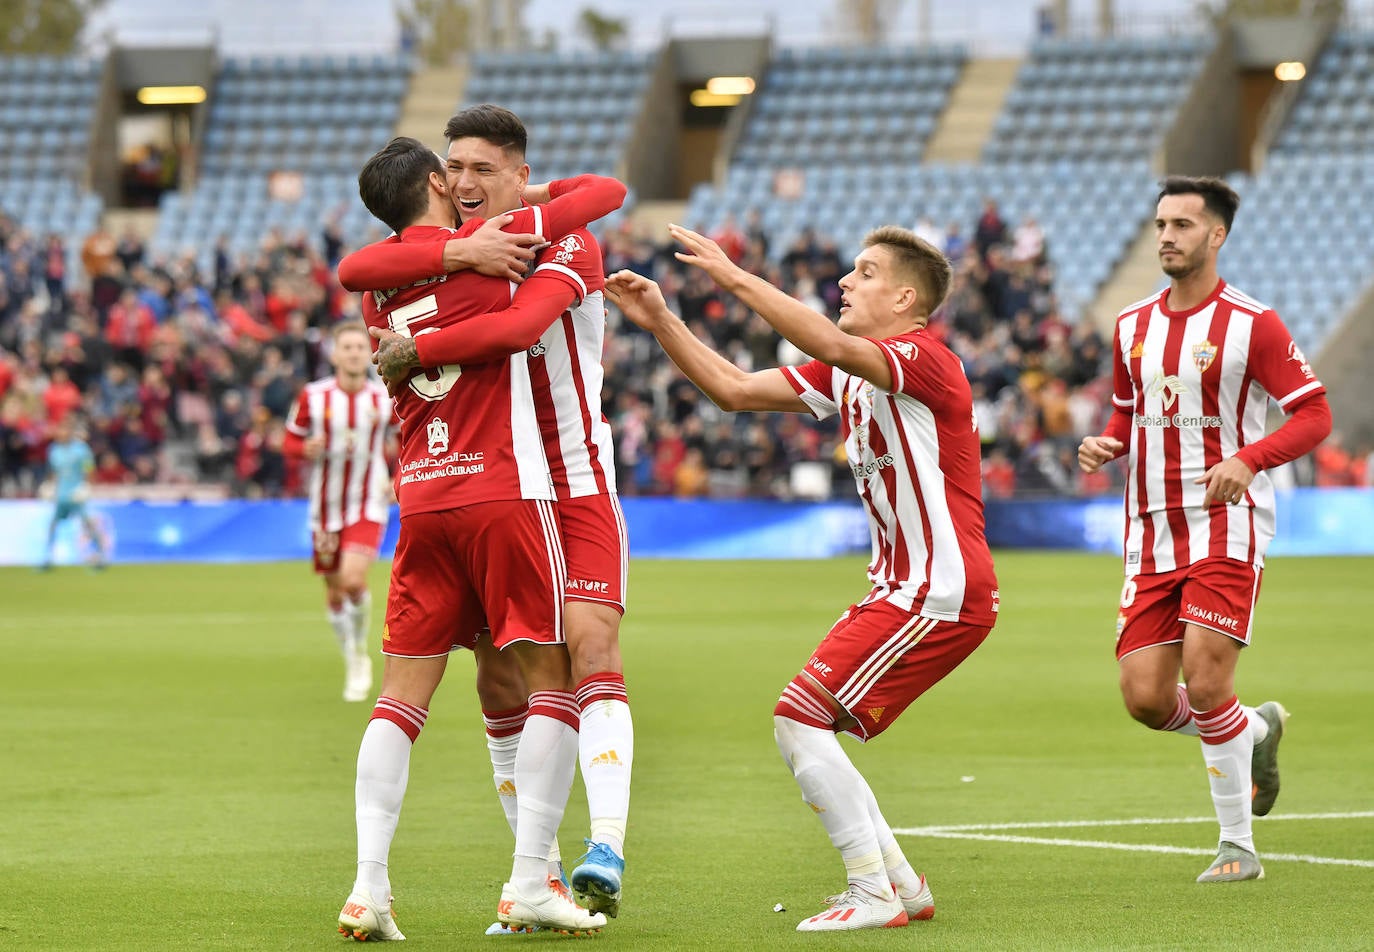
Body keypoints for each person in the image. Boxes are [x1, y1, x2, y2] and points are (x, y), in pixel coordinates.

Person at [607, 223, 999, 932]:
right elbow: (732, 388)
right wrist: (663, 319)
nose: (847, 281)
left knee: (799, 717)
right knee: (806, 717)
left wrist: (731, 276)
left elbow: (830, 343)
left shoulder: (925, 357)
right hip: (901, 586)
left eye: (865, 271)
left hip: (936, 587)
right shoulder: (850, 369)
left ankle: (872, 889)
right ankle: (901, 885)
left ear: (907, 297)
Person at [342, 104, 635, 924]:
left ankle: (369, 886)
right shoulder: (495, 262)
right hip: (508, 489)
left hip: (421, 498)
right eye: (455, 172)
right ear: (438, 181)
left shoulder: (380, 279)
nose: (468, 187)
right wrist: (481, 239)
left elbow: (355, 269)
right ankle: (530, 878)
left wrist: (462, 242)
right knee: (554, 678)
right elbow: (521, 317)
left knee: (407, 697)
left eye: (483, 170)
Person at [1077, 176, 1332, 883]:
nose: (1167, 236)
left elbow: (1314, 415)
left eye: (1183, 225)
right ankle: (1254, 730)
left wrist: (1249, 460)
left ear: (1216, 236)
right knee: (1146, 698)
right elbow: (1131, 411)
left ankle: (1237, 846)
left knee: (1207, 676)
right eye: (1161, 223)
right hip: (1151, 530)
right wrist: (1108, 442)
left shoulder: (1255, 323)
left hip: (1225, 523)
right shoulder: (1131, 325)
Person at [282, 322, 394, 703]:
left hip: (367, 502)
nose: (353, 354)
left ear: (369, 354)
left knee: (351, 579)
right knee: (332, 589)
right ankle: (350, 653)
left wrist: (397, 477)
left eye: (359, 348)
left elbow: (411, 435)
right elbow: (289, 441)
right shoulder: (313, 398)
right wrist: (304, 450)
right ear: (334, 354)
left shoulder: (383, 399)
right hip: (325, 507)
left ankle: (359, 653)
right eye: (346, 347)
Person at [40, 417, 108, 570]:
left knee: (87, 524)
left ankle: (101, 556)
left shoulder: (81, 450)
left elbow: (89, 470)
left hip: (77, 494)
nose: (62, 433)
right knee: (53, 524)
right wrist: (50, 486)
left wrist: (86, 487)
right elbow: (54, 472)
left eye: (65, 430)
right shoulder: (53, 450)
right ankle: (47, 558)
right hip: (61, 495)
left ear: (70, 432)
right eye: (60, 430)